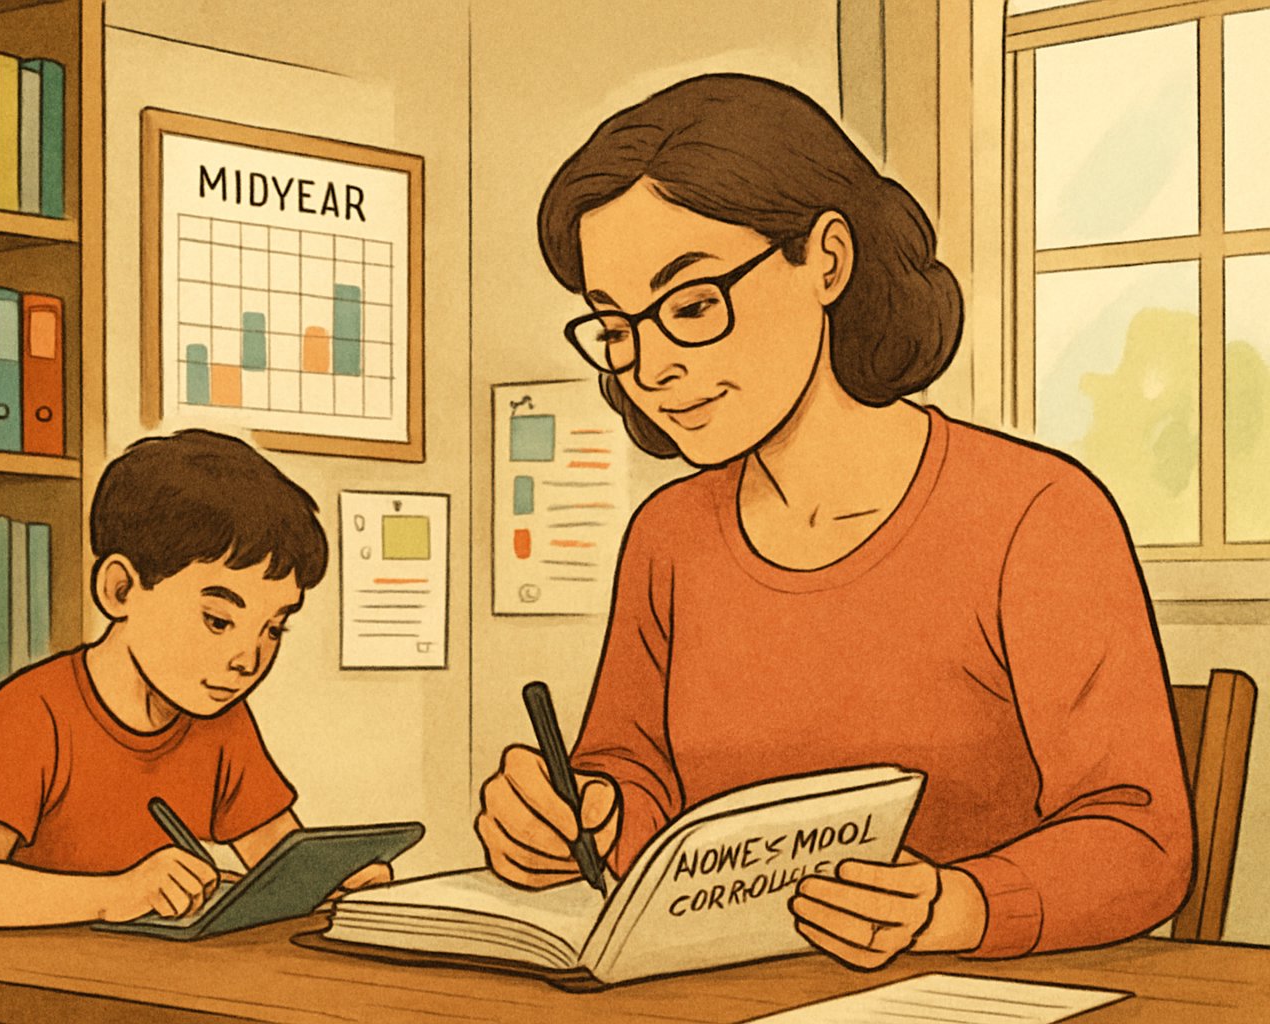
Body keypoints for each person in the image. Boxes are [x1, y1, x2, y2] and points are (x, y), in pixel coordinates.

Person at [475, 74, 1192, 968]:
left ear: (827, 259)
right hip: (724, 991)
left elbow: (1141, 839)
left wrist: (959, 907)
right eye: (617, 328)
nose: (650, 369)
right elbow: (639, 779)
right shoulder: (670, 536)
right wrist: (582, 814)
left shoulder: (1036, 515)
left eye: (690, 306)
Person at [0, 430, 389, 927]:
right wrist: (118, 894)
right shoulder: (33, 711)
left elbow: (278, 857)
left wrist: (330, 882)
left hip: (162, 967)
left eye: (273, 628)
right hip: (37, 968)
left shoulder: (219, 720)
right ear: (121, 589)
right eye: (218, 620)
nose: (248, 660)